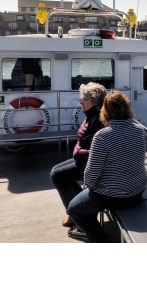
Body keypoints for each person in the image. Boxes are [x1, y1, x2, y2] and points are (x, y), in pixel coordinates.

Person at [66, 91, 147, 242]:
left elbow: (91, 175)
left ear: (105, 111)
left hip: (113, 196)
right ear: (128, 109)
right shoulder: (140, 131)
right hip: (138, 190)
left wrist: (89, 187)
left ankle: (98, 238)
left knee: (73, 210)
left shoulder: (102, 136)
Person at [50, 82, 107, 230]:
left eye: (84, 99)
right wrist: (78, 149)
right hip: (82, 159)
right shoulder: (91, 116)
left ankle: (79, 218)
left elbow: (97, 152)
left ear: (94, 102)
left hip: (91, 164)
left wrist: (77, 150)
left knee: (57, 175)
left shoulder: (99, 120)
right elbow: (83, 141)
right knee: (57, 171)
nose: (80, 101)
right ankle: (76, 211)